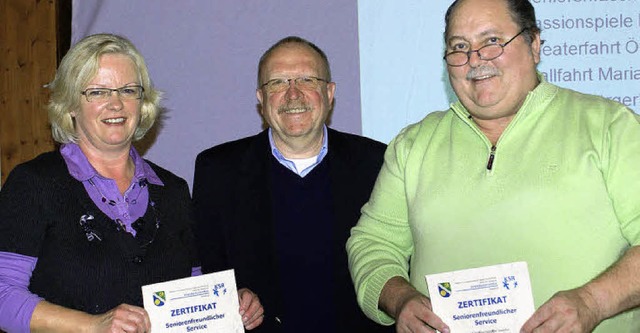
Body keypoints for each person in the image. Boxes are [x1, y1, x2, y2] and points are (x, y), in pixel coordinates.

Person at [346, 0, 640, 332]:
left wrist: (592, 302)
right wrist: (400, 300)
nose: (475, 60)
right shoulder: (414, 145)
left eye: (491, 41)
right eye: (459, 47)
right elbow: (372, 243)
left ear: (534, 45)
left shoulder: (610, 127)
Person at [0, 33, 263, 333]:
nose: (116, 104)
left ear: (143, 102)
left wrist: (231, 305)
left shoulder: (173, 191)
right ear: (71, 104)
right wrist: (92, 326)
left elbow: (193, 293)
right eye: (98, 92)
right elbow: (2, 295)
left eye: (128, 90)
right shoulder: (35, 184)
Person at [193, 36, 389, 333]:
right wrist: (231, 298)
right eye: (278, 83)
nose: (293, 94)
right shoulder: (218, 170)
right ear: (260, 97)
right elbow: (207, 269)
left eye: (307, 80)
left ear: (329, 92)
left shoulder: (377, 163)